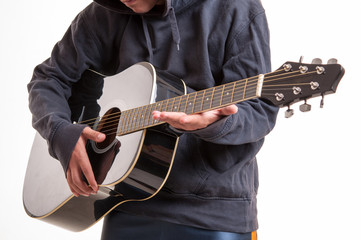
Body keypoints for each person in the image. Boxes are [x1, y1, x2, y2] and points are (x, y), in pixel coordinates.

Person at [27, 0, 279, 239]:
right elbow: (49, 80)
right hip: (126, 204)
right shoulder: (106, 13)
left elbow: (260, 110)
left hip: (213, 213)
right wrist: (60, 132)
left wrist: (214, 123)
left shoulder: (237, 8)